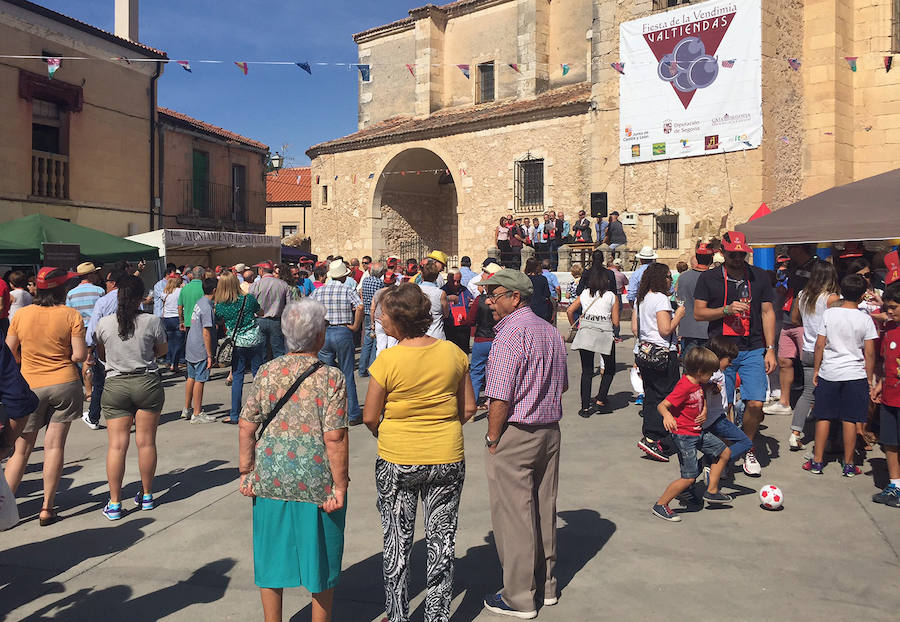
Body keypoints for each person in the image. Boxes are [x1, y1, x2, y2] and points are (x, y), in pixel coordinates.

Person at [363, 283, 475, 622]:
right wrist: (442, 425)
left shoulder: (388, 359)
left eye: (383, 314)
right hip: (446, 455)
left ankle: (397, 616)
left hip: (398, 456)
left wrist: (387, 431)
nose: (379, 319)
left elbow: (369, 415)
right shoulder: (453, 353)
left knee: (397, 541)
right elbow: (468, 407)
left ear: (398, 320)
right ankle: (437, 617)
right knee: (441, 541)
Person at [238, 299, 349, 622]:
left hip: (271, 474)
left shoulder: (267, 371)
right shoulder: (331, 378)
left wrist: (246, 471)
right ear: (318, 336)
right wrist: (339, 486)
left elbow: (247, 425)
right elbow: (335, 437)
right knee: (322, 557)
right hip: (317, 479)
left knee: (270, 555)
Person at [481, 269, 567, 619]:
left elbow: (499, 398)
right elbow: (561, 385)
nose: (488, 300)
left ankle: (518, 596)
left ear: (515, 297)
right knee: (543, 508)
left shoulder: (509, 336)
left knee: (514, 516)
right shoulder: (550, 330)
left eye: (494, 294)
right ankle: (546, 585)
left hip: (516, 431)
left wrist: (492, 436)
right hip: (549, 429)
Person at [4, 267, 86, 526]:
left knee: (21, 450)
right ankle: (47, 508)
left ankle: (5, 505)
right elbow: (79, 356)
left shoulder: (22, 315)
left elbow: (8, 351)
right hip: (64, 382)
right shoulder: (71, 315)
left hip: (29, 384)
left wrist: (24, 359)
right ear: (63, 289)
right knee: (54, 446)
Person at [694, 231, 776, 477]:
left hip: (753, 347)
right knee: (723, 405)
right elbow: (699, 313)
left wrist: (771, 349)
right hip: (720, 349)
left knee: (756, 402)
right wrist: (726, 310)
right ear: (723, 252)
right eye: (733, 254)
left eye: (742, 254)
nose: (738, 258)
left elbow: (768, 312)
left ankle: (746, 447)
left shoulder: (759, 277)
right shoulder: (709, 278)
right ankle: (723, 451)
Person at [94, 275, 167, 520]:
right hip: (146, 380)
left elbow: (101, 352)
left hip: (115, 384)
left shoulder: (104, 323)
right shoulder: (152, 320)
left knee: (117, 445)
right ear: (139, 297)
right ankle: (147, 496)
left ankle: (115, 503)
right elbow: (162, 351)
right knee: (146, 442)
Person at [803, 274, 877, 476]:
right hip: (855, 373)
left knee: (823, 416)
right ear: (863, 296)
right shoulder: (865, 319)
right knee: (851, 419)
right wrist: (869, 378)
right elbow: (869, 352)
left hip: (830, 371)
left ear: (841, 292)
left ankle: (817, 461)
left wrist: (817, 369)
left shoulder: (830, 314)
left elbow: (820, 344)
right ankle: (849, 463)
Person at [651, 347, 732, 522]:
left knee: (724, 452)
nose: (711, 377)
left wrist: (705, 408)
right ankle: (661, 504)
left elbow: (701, 395)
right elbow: (662, 405)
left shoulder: (698, 382)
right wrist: (668, 416)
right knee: (689, 478)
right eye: (710, 374)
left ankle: (711, 491)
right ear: (700, 371)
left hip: (697, 432)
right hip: (684, 436)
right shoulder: (684, 386)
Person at [633, 262, 685, 462]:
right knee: (667, 396)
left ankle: (650, 434)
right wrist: (678, 315)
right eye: (667, 277)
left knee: (651, 395)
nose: (669, 280)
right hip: (662, 353)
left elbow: (637, 329)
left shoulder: (643, 299)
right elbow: (665, 330)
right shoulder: (662, 299)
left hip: (646, 352)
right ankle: (660, 439)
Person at [786, 261, 840, 450]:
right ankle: (830, 438)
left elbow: (794, 319)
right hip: (827, 351)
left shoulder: (802, 296)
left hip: (807, 349)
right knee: (832, 395)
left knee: (807, 393)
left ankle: (795, 432)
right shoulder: (832, 298)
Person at [765, 244, 818, 417]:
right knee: (784, 361)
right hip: (788, 319)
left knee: (809, 365)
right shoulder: (794, 268)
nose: (788, 251)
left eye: (792, 248)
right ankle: (784, 402)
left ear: (801, 249)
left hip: (805, 322)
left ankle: (813, 405)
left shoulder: (816, 267)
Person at [311, 260, 364, 425]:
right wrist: (355, 326)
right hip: (343, 331)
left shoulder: (319, 292)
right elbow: (360, 307)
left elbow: (308, 308)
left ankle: (327, 412)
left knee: (326, 375)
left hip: (325, 333)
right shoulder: (347, 289)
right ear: (342, 277)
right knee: (347, 373)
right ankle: (353, 413)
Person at [567, 262, 619, 416]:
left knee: (587, 371)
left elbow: (570, 310)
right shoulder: (611, 296)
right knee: (609, 368)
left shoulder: (585, 293)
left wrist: (576, 327)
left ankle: (584, 407)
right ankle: (601, 399)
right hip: (604, 332)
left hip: (586, 332)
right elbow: (616, 322)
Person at [214, 272, 264, 425]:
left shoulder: (221, 305)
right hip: (254, 339)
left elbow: (218, 321)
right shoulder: (248, 299)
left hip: (237, 343)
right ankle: (262, 410)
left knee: (237, 377)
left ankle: (235, 414)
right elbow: (260, 311)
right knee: (258, 375)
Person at [701, 336, 754, 475]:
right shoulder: (711, 374)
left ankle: (707, 463)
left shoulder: (715, 372)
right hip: (716, 420)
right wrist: (710, 386)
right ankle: (716, 461)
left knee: (717, 447)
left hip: (717, 418)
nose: (730, 364)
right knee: (745, 443)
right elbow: (700, 383)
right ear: (717, 357)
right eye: (729, 360)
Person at [83, 268, 127, 431]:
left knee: (101, 383)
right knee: (125, 380)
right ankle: (129, 415)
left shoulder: (103, 301)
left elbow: (94, 327)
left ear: (113, 283)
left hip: (106, 347)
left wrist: (89, 350)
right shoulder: (131, 298)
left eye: (107, 282)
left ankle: (94, 416)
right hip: (127, 345)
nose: (105, 284)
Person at [871, 281, 900, 507]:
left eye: (894, 307)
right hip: (890, 396)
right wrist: (880, 383)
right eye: (888, 307)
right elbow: (885, 362)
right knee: (889, 442)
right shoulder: (889, 329)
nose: (889, 311)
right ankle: (894, 485)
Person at [183, 278, 217, 424]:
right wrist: (209, 354)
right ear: (215, 290)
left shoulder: (200, 302)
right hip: (200, 347)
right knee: (200, 379)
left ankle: (187, 408)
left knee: (191, 377)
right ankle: (197, 412)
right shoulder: (207, 307)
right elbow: (206, 332)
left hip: (191, 344)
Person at [676, 242, 715, 357]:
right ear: (711, 259)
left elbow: (680, 302)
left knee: (689, 368)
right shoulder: (715, 278)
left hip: (688, 329)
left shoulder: (683, 277)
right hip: (709, 330)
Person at [250, 261, 293, 361]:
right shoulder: (283, 284)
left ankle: (262, 373)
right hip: (276, 321)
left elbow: (250, 305)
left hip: (259, 321)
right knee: (278, 351)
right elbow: (289, 306)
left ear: (261, 270)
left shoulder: (255, 285)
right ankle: (280, 373)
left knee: (261, 352)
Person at [466, 280, 498, 408]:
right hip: (496, 339)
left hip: (481, 338)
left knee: (476, 373)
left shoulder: (479, 300)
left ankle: (472, 405)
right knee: (494, 374)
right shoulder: (500, 302)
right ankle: (492, 403)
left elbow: (471, 320)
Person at [358, 262, 385, 377]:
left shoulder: (365, 281)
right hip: (375, 313)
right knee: (376, 341)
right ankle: (372, 367)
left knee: (367, 341)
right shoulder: (380, 283)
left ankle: (362, 368)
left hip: (366, 312)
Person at [442, 268, 474, 353]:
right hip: (449, 329)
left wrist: (472, 304)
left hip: (463, 329)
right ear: (448, 279)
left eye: (458, 281)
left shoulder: (465, 290)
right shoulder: (442, 292)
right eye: (454, 281)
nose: (456, 284)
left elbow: (471, 301)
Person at [418, 257, 450, 339]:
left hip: (420, 334)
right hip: (437, 334)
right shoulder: (441, 293)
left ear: (422, 275)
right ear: (436, 277)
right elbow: (446, 314)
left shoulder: (415, 290)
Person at [160, 274, 185, 374]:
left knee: (170, 341)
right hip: (176, 318)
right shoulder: (179, 291)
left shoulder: (165, 292)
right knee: (179, 342)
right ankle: (174, 363)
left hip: (166, 318)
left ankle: (169, 360)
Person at [524, 257, 554, 323]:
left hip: (527, 308)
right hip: (541, 308)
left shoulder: (524, 279)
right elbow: (547, 294)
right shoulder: (542, 279)